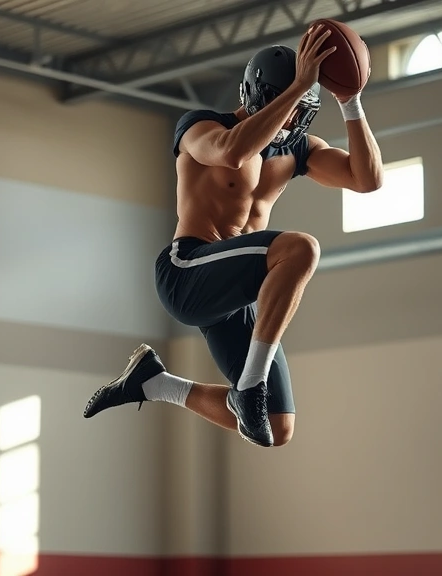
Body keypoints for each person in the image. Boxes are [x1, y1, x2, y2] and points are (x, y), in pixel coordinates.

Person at [82, 24, 384, 448]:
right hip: (187, 271)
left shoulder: (296, 151)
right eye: (288, 104)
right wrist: (299, 86)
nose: (294, 118)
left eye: (302, 110)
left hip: (234, 296)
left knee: (277, 427)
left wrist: (350, 102)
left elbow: (366, 180)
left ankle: (154, 383)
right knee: (300, 248)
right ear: (261, 95)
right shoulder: (201, 127)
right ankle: (250, 387)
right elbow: (231, 153)